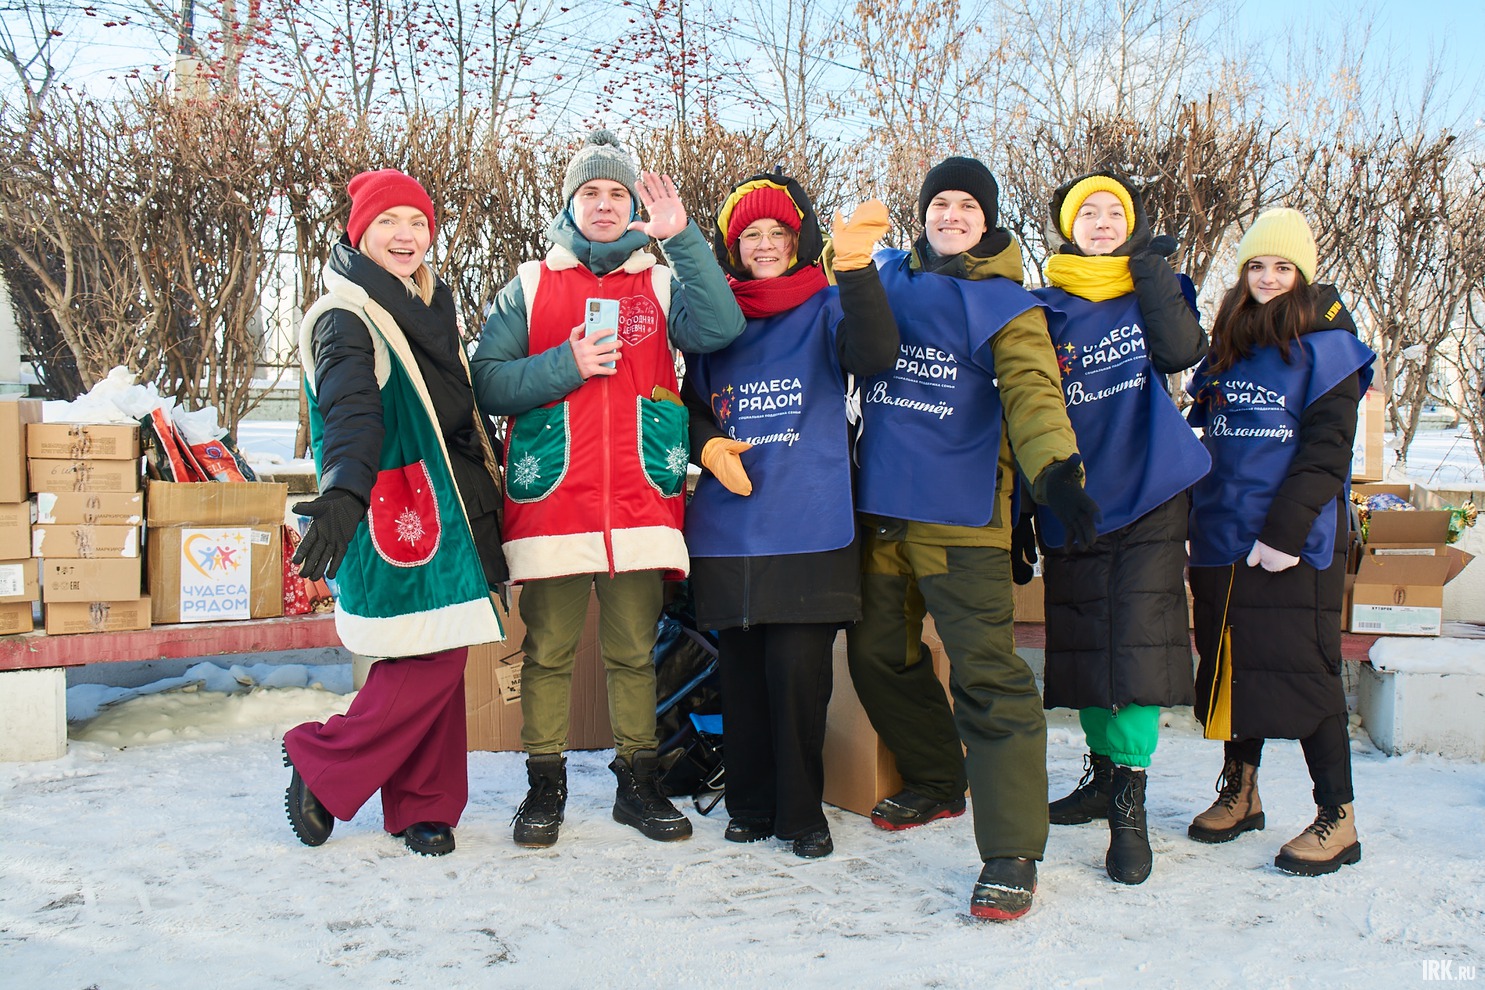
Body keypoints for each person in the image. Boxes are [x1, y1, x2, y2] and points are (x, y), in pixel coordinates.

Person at [469, 130, 745, 848]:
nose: (602, 203)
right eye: (589, 191)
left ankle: (638, 781)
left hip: (637, 502)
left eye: (615, 193)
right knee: (550, 651)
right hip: (553, 498)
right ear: (569, 201)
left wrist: (682, 241)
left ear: (632, 207)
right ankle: (544, 786)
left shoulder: (659, 281)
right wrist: (563, 365)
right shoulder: (530, 284)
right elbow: (488, 381)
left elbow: (719, 326)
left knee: (631, 649)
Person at [846, 156, 1100, 920]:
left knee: (988, 680)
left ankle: (1011, 851)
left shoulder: (1006, 306)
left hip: (964, 521)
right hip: (880, 513)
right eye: (939, 204)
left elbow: (1031, 394)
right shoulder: (884, 276)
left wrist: (1055, 470)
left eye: (965, 206)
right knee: (874, 654)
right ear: (921, 215)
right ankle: (933, 777)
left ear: (986, 221)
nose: (950, 215)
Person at [283, 168, 508, 857]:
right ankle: (322, 761)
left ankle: (424, 806)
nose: (405, 235)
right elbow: (349, 407)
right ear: (360, 235)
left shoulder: (426, 303)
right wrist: (345, 490)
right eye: (388, 223)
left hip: (453, 498)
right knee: (429, 654)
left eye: (416, 222)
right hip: (398, 506)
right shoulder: (345, 316)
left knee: (440, 645)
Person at [682, 172, 899, 859]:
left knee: (798, 674)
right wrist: (706, 444)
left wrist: (857, 270)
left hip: (810, 513)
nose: (767, 245)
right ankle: (748, 802)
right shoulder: (713, 320)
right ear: (733, 245)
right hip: (731, 518)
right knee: (741, 672)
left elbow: (875, 354)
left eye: (779, 232)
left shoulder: (829, 306)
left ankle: (802, 813)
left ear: (798, 239)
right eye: (752, 234)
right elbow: (685, 404)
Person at [1027, 171, 1210, 885]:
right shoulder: (1041, 307)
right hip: (1074, 497)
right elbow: (1024, 400)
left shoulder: (1154, 289)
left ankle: (1129, 803)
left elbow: (1179, 351)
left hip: (1151, 492)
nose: (1101, 222)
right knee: (1084, 642)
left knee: (1133, 644)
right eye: (1088, 213)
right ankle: (1101, 774)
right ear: (1068, 227)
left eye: (1114, 213)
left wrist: (1152, 271)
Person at [1185, 207, 1375, 876]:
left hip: (1291, 544)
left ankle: (1337, 816)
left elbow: (1327, 451)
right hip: (1219, 537)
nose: (1267, 277)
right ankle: (1240, 791)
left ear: (1303, 275)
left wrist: (1283, 532)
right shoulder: (1227, 347)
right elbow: (1203, 436)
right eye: (1256, 266)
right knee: (1232, 672)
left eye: (1281, 266)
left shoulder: (1328, 350)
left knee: (1305, 675)